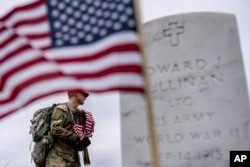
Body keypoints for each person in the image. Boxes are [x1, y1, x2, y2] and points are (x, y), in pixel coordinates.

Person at [45, 90, 90, 167]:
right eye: (84, 94)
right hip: (59, 159)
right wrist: (76, 138)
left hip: (73, 159)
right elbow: (55, 129)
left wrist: (81, 142)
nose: (86, 97)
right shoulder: (62, 109)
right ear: (75, 93)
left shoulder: (77, 115)